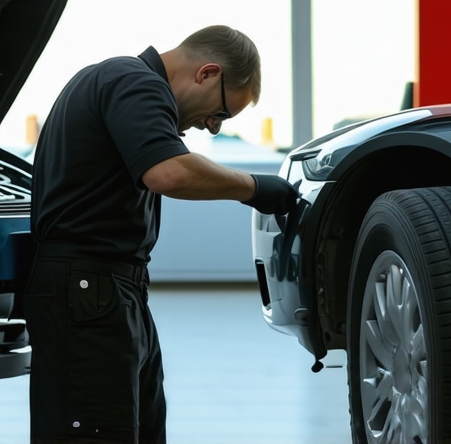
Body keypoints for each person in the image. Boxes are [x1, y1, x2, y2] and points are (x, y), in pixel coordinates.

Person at [23, 25, 298, 444]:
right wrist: (254, 188)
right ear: (207, 73)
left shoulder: (119, 84)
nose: (212, 127)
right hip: (87, 290)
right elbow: (168, 172)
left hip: (107, 291)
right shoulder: (133, 82)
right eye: (221, 113)